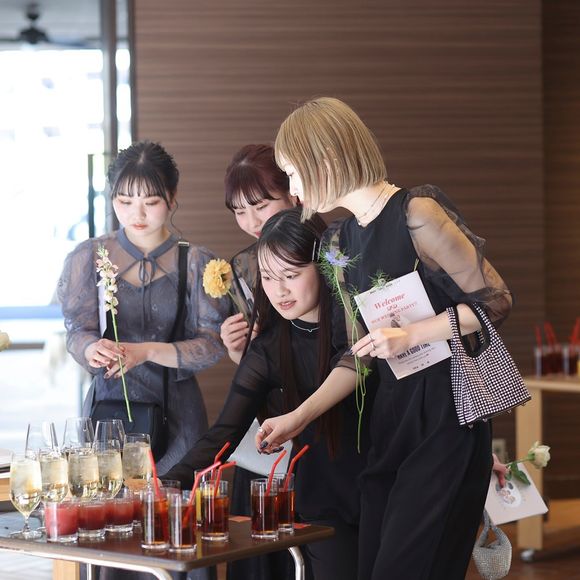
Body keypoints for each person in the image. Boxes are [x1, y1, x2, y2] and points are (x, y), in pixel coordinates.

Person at [256, 97, 513, 580]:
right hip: (389, 422)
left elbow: (495, 302)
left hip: (445, 418)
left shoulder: (417, 214)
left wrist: (411, 333)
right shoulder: (338, 243)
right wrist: (298, 417)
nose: (292, 189)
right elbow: (358, 357)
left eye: (293, 173)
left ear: (326, 159)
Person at [163, 207, 372, 580]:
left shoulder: (363, 322)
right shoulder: (268, 348)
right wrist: (168, 481)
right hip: (325, 500)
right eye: (269, 277)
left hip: (387, 484)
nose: (280, 291)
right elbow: (224, 433)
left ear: (323, 267)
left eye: (291, 275)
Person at [57, 140, 227, 475]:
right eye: (125, 201)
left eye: (151, 202)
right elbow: (77, 331)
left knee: (175, 502)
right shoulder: (88, 257)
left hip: (178, 417)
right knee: (110, 500)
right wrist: (90, 348)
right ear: (111, 198)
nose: (137, 215)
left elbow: (212, 344)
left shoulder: (196, 262)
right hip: (109, 415)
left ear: (172, 198)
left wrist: (146, 351)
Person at [220, 144, 295, 364]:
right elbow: (249, 359)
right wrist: (236, 348)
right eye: (240, 212)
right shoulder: (242, 266)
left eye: (261, 207)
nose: (252, 223)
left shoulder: (329, 249)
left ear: (292, 194)